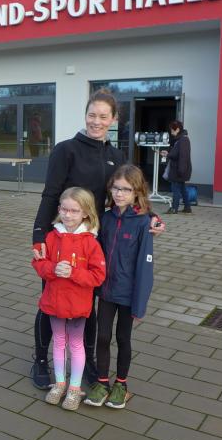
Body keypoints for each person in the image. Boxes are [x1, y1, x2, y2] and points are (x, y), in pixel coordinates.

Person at [30, 89, 165, 390]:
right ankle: (40, 359)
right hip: (61, 238)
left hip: (94, 240)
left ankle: (87, 359)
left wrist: (152, 217)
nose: (96, 121)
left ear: (114, 119)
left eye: (104, 116)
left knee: (86, 302)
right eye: (92, 115)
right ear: (85, 115)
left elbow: (129, 192)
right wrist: (39, 236)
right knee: (52, 299)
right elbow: (50, 195)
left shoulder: (116, 157)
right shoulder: (66, 150)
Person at [84, 164, 154, 409]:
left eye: (126, 189)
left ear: (137, 192)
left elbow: (145, 267)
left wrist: (140, 304)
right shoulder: (105, 218)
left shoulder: (143, 223)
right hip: (106, 291)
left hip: (128, 294)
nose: (119, 193)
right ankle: (102, 382)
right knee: (102, 337)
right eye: (115, 188)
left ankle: (121, 384)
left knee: (123, 338)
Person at [32, 187, 105, 411]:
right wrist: (53, 269)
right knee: (58, 341)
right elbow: (38, 263)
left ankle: (74, 388)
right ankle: (60, 383)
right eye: (64, 209)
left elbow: (98, 276)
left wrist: (73, 273)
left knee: (75, 343)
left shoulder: (91, 242)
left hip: (78, 304)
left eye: (74, 211)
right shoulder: (51, 236)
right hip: (54, 301)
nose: (67, 215)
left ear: (86, 213)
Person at [162, 120, 192, 214]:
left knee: (176, 190)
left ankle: (174, 208)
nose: (171, 132)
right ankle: (187, 208)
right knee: (182, 189)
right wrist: (168, 153)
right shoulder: (181, 139)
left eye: (172, 130)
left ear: (178, 129)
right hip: (180, 169)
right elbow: (176, 153)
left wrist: (181, 170)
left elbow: (183, 156)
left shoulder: (183, 140)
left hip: (178, 169)